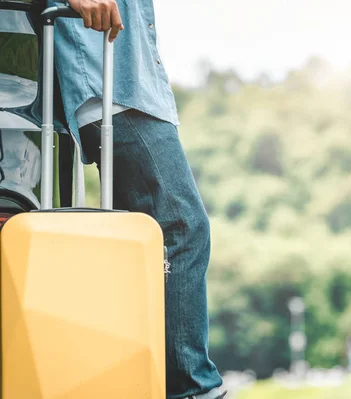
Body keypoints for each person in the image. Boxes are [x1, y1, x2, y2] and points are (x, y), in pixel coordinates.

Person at [49, 0, 226, 398]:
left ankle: (157, 380)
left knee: (150, 244)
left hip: (131, 85)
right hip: (110, 86)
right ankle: (193, 389)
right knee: (181, 226)